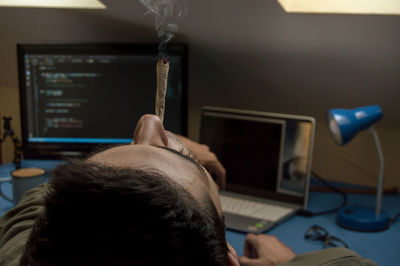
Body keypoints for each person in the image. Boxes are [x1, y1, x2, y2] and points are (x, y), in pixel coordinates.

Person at [0, 114, 376, 266]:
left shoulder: (24, 252)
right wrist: (286, 261)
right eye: (185, 162)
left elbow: (40, 209)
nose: (149, 123)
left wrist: (171, 157)